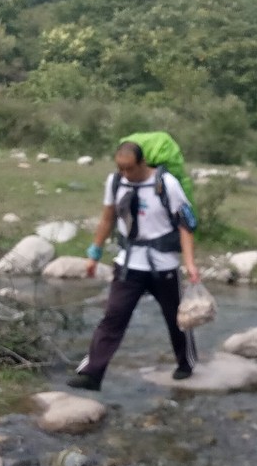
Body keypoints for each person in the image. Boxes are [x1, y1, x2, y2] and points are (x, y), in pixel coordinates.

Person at [67, 141, 200, 391]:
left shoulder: (166, 183)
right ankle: (91, 374)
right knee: (112, 318)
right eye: (121, 168)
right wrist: (94, 253)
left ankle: (186, 363)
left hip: (164, 266)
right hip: (129, 265)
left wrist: (190, 263)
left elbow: (186, 223)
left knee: (176, 319)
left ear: (142, 163)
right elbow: (108, 217)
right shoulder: (116, 181)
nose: (126, 174)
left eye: (130, 169)